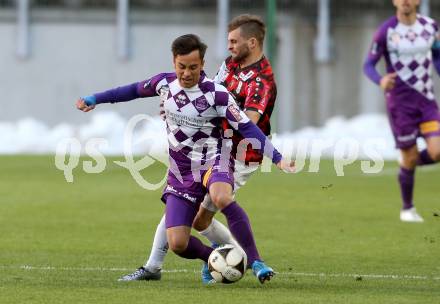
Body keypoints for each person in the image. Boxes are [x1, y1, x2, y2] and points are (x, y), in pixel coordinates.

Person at [76, 34, 295, 284]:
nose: (187, 73)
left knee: (221, 197)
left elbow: (247, 127)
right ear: (174, 62)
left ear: (202, 64)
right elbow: (131, 90)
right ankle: (215, 257)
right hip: (181, 172)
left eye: (193, 67)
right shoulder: (164, 84)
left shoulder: (217, 94)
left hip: (215, 160)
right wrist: (96, 98)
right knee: (178, 243)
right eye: (182, 66)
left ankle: (256, 261)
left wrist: (276, 157)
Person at [120, 14, 278, 284]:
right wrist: (181, 107)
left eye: (233, 41)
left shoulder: (261, 81)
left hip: (239, 154)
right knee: (186, 209)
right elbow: (207, 92)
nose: (228, 46)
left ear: (252, 43)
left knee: (195, 214)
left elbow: (246, 123)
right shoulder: (231, 65)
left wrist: (197, 115)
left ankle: (239, 259)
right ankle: (165, 264)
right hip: (210, 148)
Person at [364, 0, 440, 222]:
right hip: (400, 105)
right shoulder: (386, 31)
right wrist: (381, 80)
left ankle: (407, 164)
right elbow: (368, 65)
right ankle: (407, 208)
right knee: (410, 155)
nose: (405, 0)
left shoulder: (430, 27)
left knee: (436, 152)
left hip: (427, 101)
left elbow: (436, 55)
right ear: (394, 2)